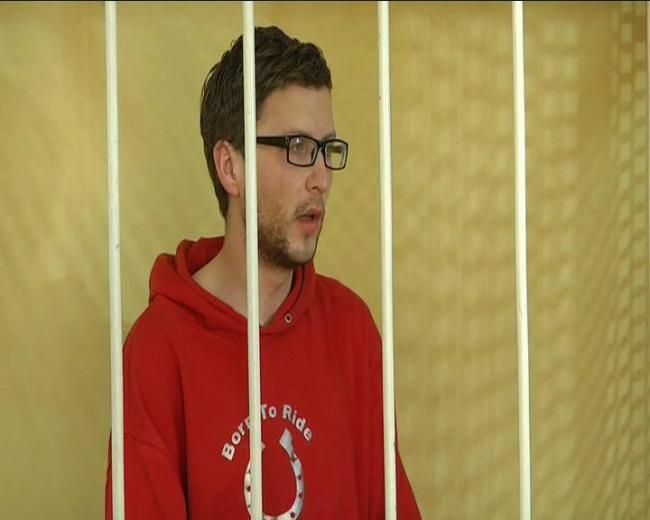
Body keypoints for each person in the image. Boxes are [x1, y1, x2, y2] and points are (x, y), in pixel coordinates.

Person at [105, 25, 421, 519]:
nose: (321, 178)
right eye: (297, 146)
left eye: (327, 150)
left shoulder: (351, 330)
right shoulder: (157, 352)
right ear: (230, 167)